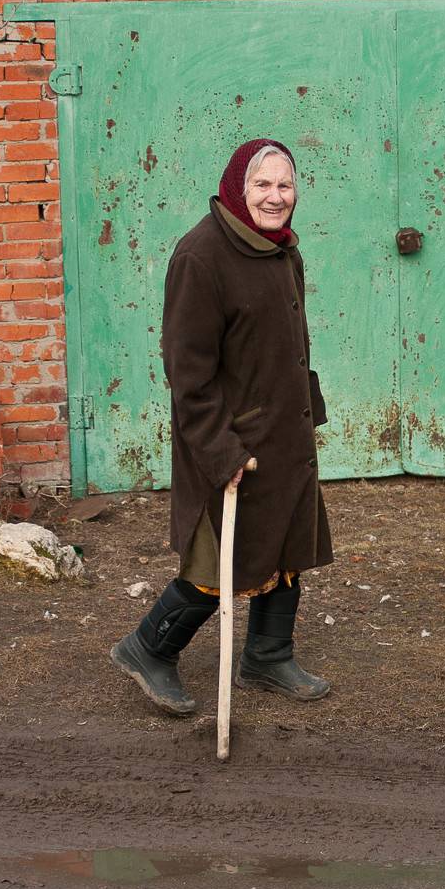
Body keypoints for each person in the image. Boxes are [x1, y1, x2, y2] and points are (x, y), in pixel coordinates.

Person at [110, 138, 334, 716]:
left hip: (283, 432)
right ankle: (148, 649)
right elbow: (188, 373)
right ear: (238, 186)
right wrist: (221, 449)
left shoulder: (283, 251)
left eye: (285, 185)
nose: (275, 197)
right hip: (230, 440)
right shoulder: (201, 256)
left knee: (287, 546)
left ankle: (268, 655)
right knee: (217, 564)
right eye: (262, 185)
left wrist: (304, 412)